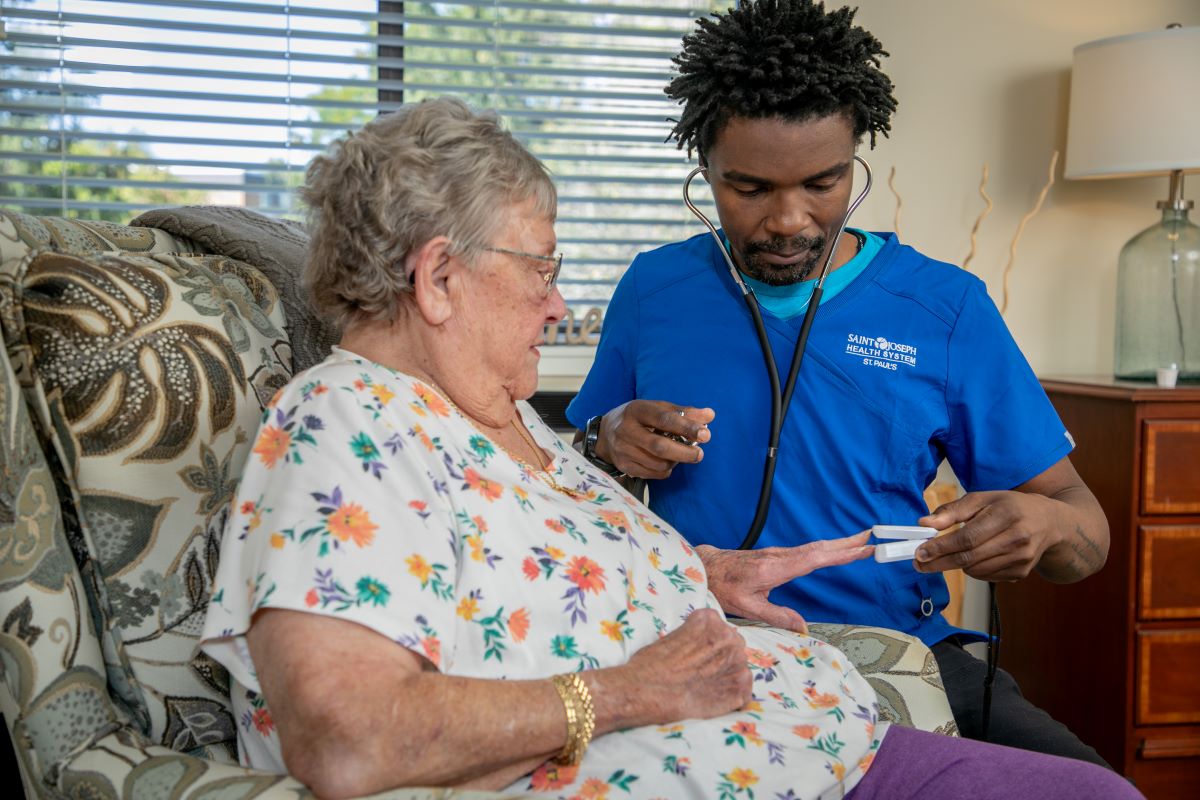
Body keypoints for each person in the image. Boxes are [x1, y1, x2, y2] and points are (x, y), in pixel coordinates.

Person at [199, 97, 1139, 800]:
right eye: (543, 268)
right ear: (439, 277)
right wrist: (631, 681)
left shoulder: (499, 417)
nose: (561, 304)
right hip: (749, 748)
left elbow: (525, 552)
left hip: (846, 688)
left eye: (821, 182)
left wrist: (699, 574)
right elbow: (348, 733)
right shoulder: (350, 422)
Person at [566, 0, 1112, 768]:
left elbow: (1086, 533)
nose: (789, 220)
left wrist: (1043, 527)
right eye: (749, 188)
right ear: (706, 171)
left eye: (821, 183)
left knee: (1087, 787)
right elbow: (565, 492)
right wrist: (603, 438)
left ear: (858, 160)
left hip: (897, 649)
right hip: (694, 638)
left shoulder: (945, 308)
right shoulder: (656, 289)